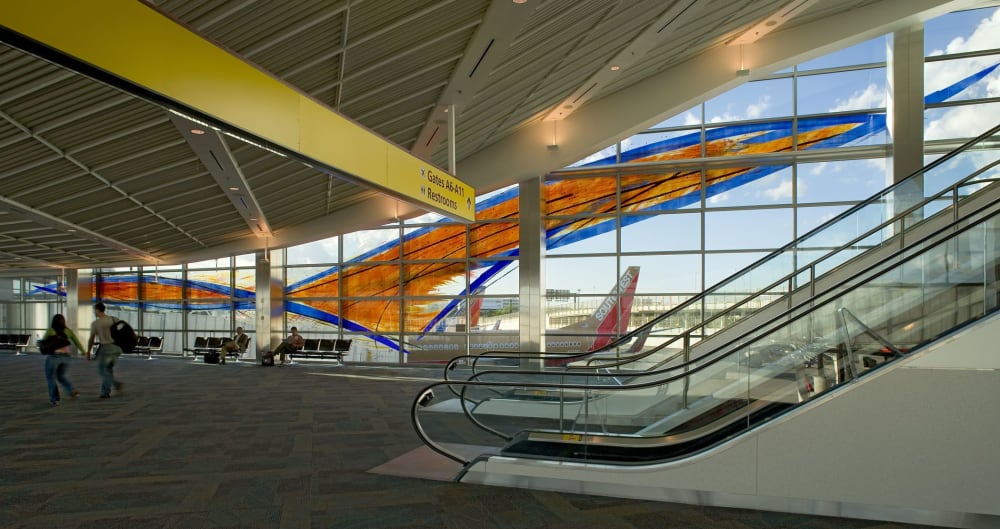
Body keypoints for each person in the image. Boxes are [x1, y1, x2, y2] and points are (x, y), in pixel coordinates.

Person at [41, 313, 86, 406]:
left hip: (54, 356)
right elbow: (76, 341)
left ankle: (54, 399)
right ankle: (71, 391)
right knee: (60, 376)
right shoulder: (68, 331)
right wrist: (83, 352)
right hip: (66, 357)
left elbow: (43, 342)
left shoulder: (51, 330)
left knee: (50, 377)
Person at [86, 302, 124, 399]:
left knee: (101, 370)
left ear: (98, 310)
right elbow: (122, 330)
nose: (94, 312)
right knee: (108, 369)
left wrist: (88, 351)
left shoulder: (96, 323)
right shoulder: (114, 319)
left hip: (106, 348)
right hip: (116, 347)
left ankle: (115, 384)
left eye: (95, 310)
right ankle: (105, 392)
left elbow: (91, 339)